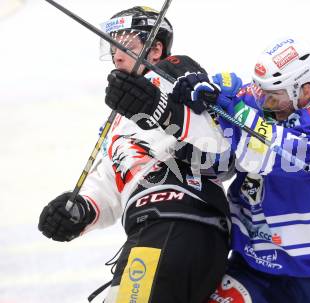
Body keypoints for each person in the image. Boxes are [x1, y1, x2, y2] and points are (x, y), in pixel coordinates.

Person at [38, 6, 231, 303]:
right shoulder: (118, 116)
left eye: (126, 44)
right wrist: (82, 209)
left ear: (155, 48)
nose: (116, 54)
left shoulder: (174, 77)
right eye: (111, 45)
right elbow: (113, 178)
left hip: (174, 220)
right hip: (154, 230)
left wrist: (165, 105)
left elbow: (219, 145)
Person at [171, 37, 310, 302]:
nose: (263, 100)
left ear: (305, 90)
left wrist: (231, 108)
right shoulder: (253, 101)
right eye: (260, 89)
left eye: (273, 96)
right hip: (251, 266)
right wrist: (196, 95)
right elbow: (218, 148)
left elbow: (276, 153)